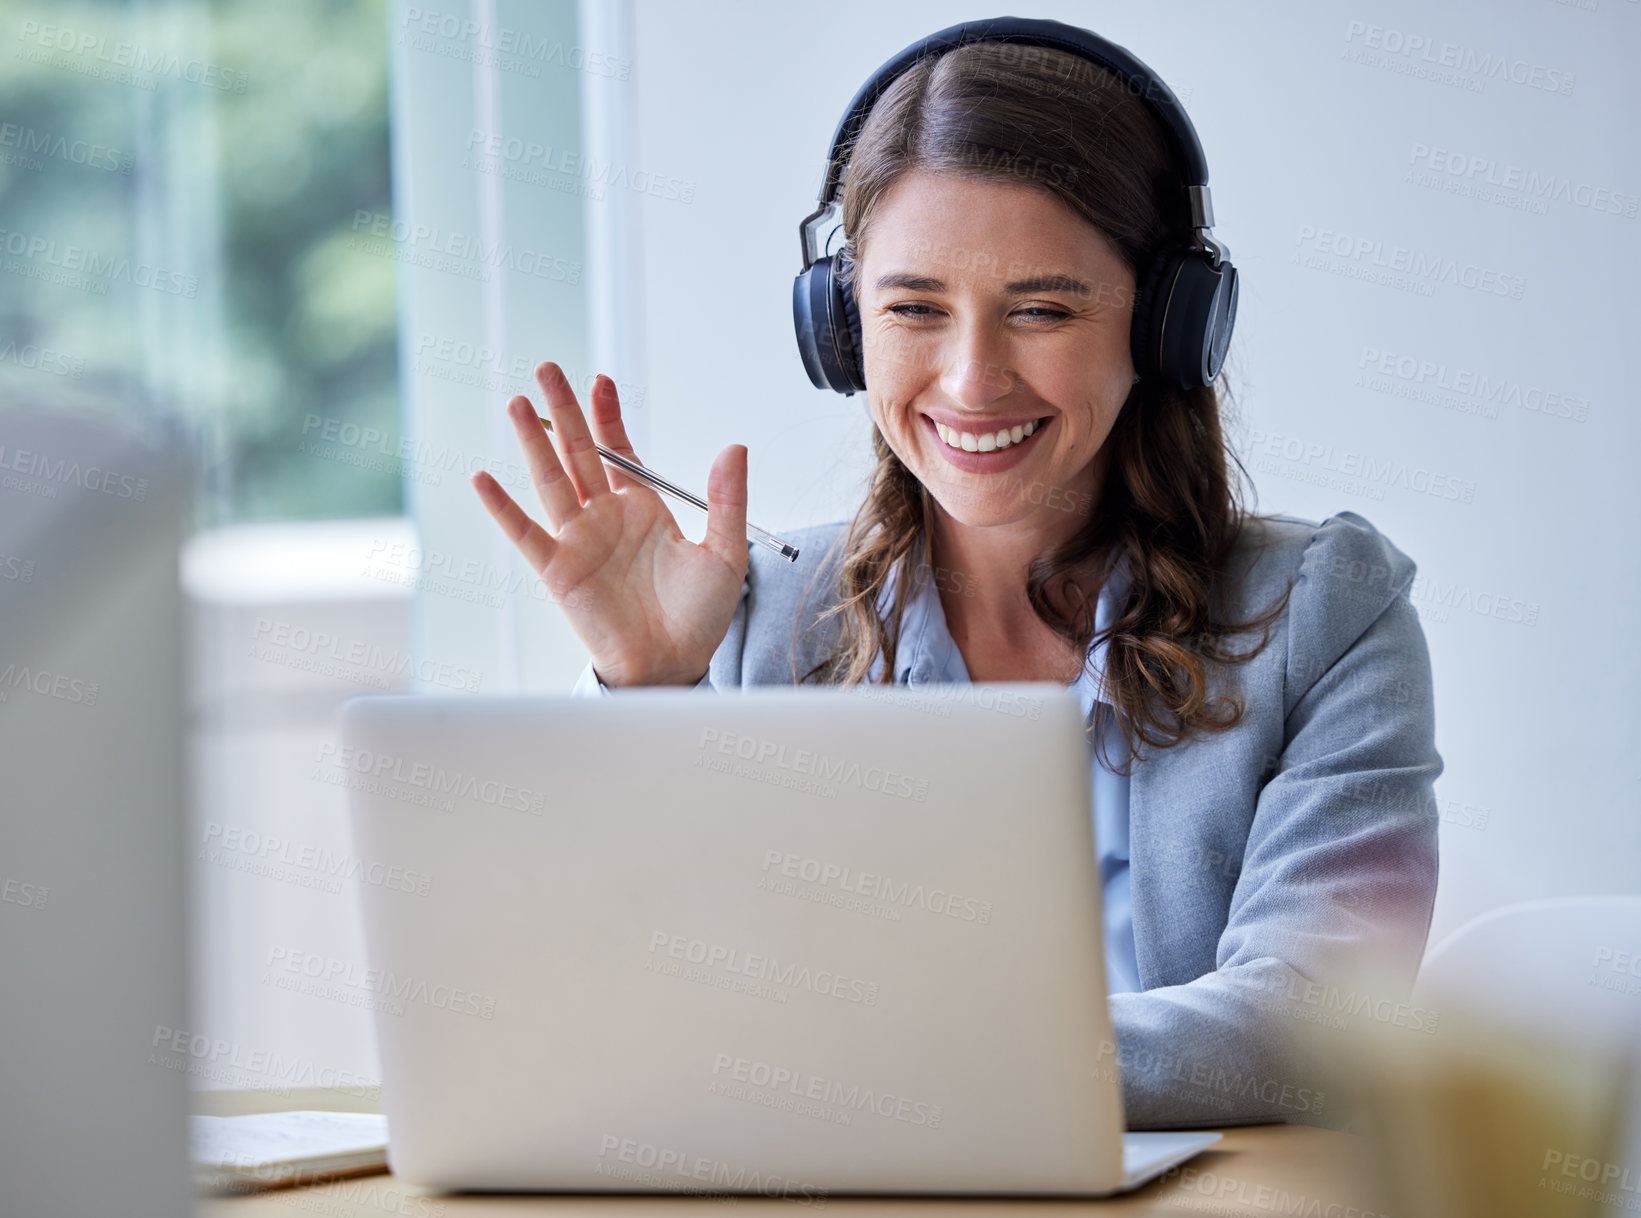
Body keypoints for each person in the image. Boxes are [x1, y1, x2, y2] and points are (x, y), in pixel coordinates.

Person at [469, 24, 1441, 1130]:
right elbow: (627, 1015)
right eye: (914, 308)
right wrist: (647, 693)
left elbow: (1320, 1032)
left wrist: (910, 1060)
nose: (973, 380)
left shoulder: (1323, 616)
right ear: (843, 330)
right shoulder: (766, 617)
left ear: (1168, 324)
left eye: (1043, 308)